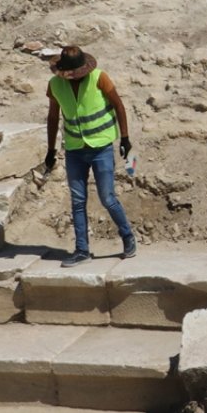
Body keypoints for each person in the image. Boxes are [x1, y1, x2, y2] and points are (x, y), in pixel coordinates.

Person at [43, 46, 137, 268]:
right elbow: (53, 117)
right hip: (75, 149)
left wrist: (125, 138)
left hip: (101, 146)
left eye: (78, 72)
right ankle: (82, 250)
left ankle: (128, 236)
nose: (75, 76)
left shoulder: (98, 77)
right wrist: (50, 150)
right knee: (77, 201)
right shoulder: (55, 85)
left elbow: (118, 105)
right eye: (71, 73)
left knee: (107, 198)